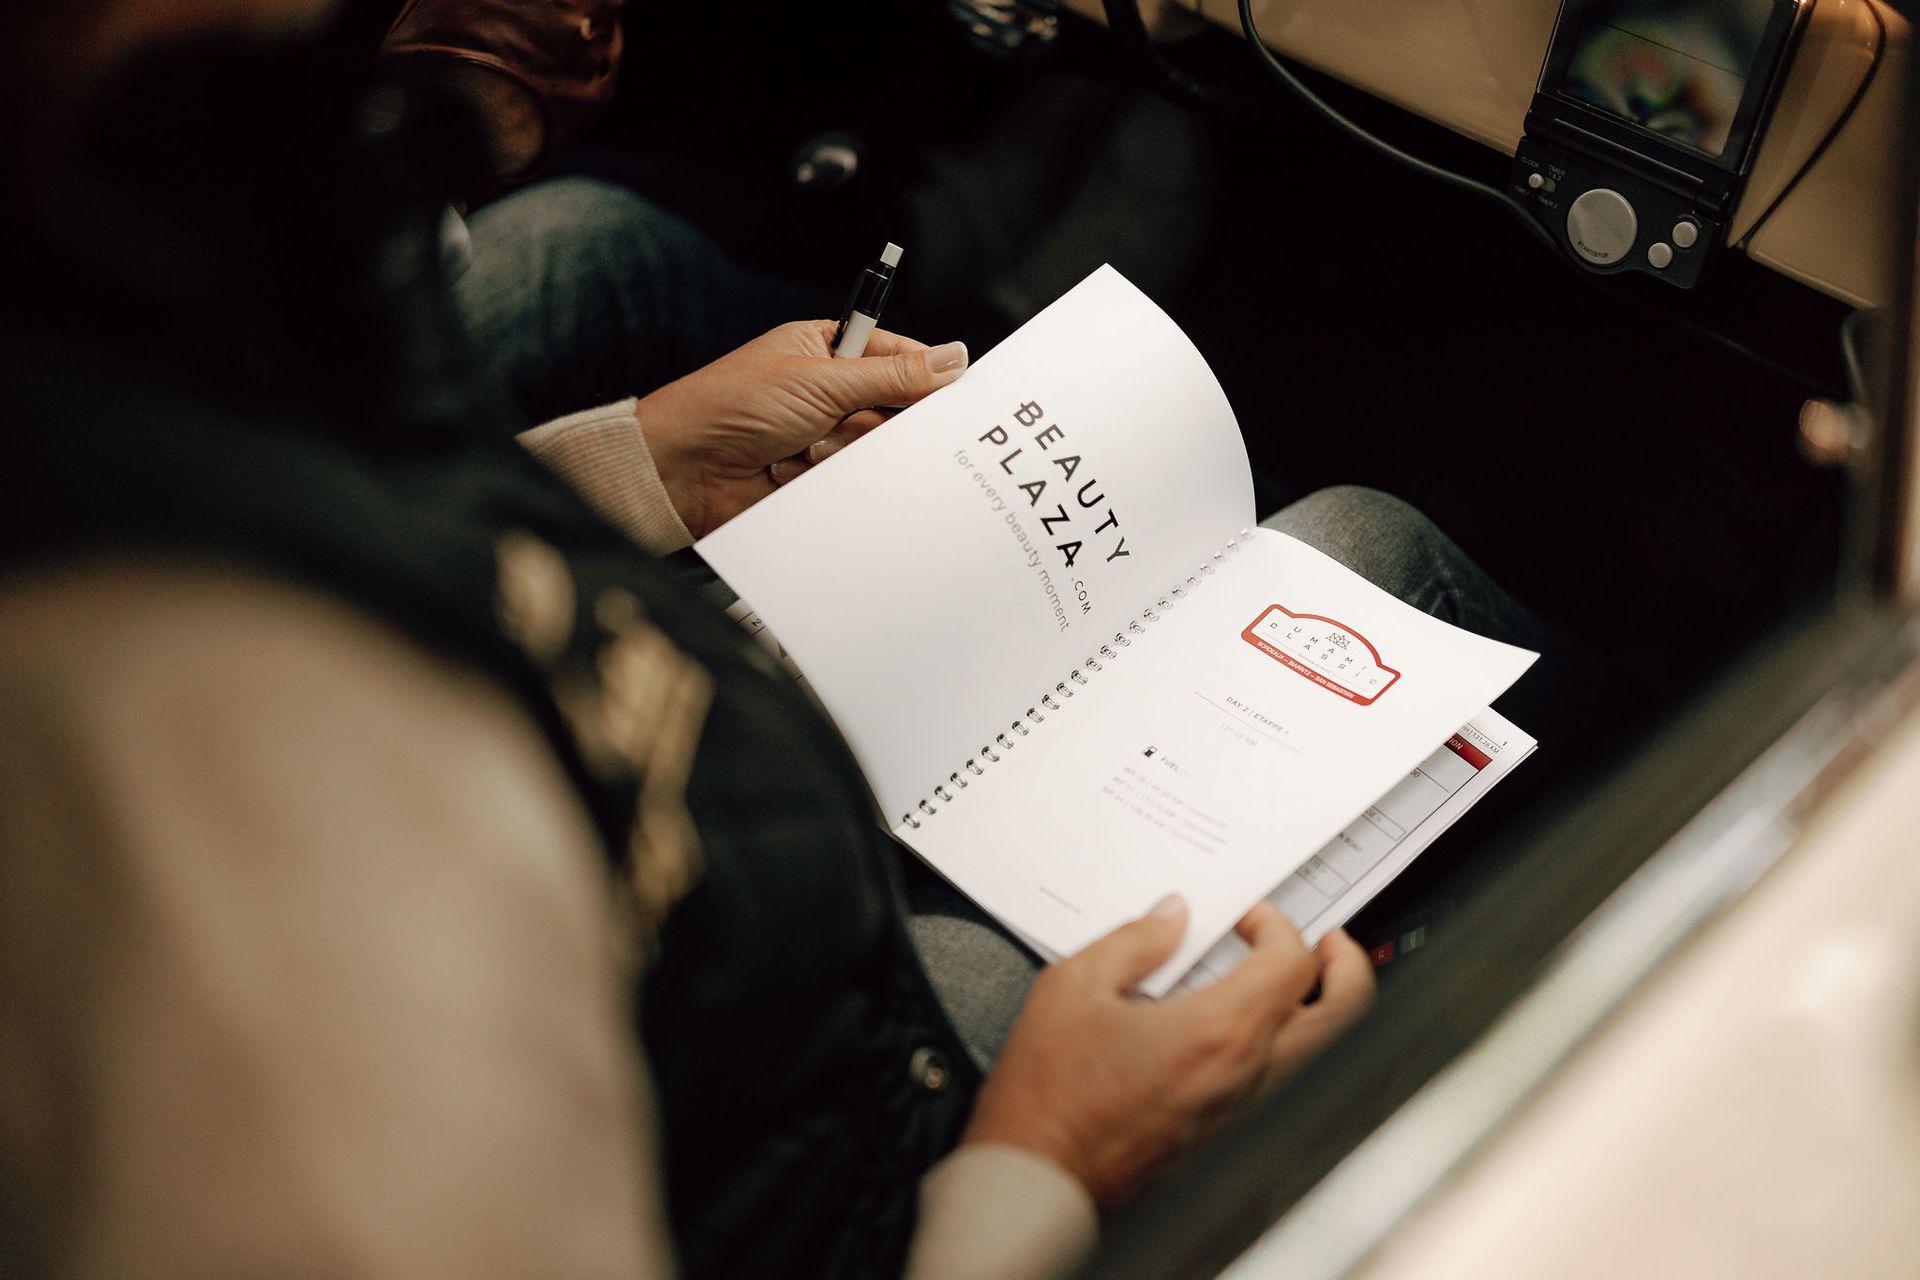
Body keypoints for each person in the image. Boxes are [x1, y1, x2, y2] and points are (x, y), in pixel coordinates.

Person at [0, 3, 1567, 1276]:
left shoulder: (147, 277)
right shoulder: (162, 717)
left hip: (710, 908)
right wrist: (1054, 1164)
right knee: (1362, 556)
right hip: (854, 1155)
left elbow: (382, 502)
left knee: (590, 243)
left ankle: (974, 245)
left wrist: (644, 465)